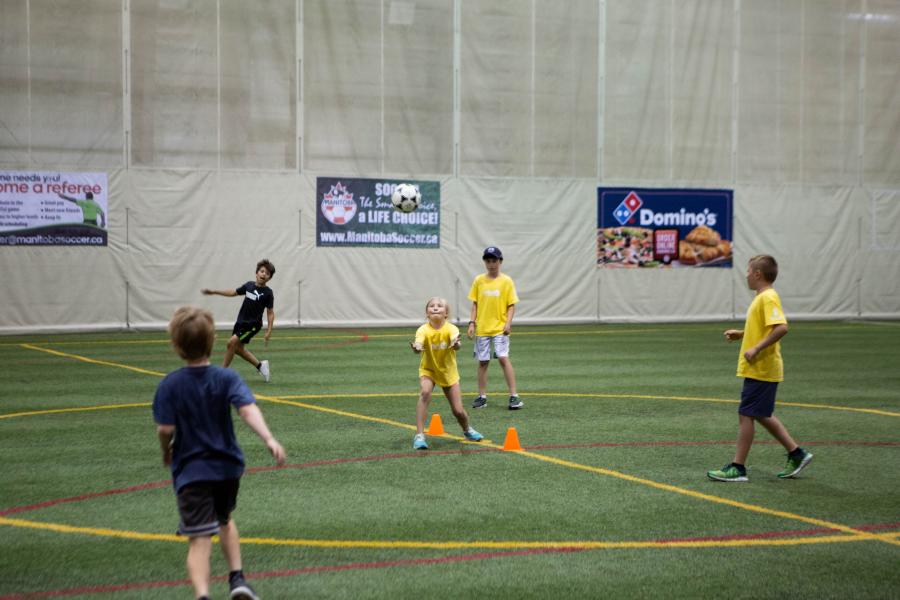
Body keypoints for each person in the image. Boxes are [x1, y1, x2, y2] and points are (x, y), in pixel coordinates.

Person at [153, 306, 286, 600]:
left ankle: (202, 594)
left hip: (192, 473)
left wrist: (166, 450)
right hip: (227, 469)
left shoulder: (170, 385)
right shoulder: (226, 379)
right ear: (212, 342)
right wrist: (268, 438)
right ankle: (237, 578)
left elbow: (164, 429)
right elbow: (247, 410)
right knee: (225, 520)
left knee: (199, 539)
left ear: (176, 346)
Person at [707, 255, 813, 482]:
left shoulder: (768, 297)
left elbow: (781, 327)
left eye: (748, 271)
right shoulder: (762, 298)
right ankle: (796, 453)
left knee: (746, 414)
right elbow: (764, 328)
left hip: (762, 368)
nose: (746, 275)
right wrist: (742, 334)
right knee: (760, 414)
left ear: (757, 274)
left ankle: (738, 467)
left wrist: (756, 348)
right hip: (760, 368)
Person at [410, 297, 483, 450]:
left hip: (448, 373)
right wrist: (416, 347)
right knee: (425, 392)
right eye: (431, 306)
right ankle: (419, 435)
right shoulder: (423, 330)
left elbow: (456, 343)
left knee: (458, 410)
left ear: (446, 313)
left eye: (439, 306)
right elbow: (418, 343)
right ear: (427, 313)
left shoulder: (451, 329)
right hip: (429, 370)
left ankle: (467, 430)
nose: (435, 308)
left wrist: (456, 344)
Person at [466, 246, 522, 410]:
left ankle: (514, 396)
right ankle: (482, 396)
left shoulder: (506, 281)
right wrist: (472, 323)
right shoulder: (479, 280)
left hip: (500, 328)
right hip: (483, 328)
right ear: (485, 262)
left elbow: (511, 305)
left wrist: (508, 323)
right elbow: (475, 304)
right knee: (483, 362)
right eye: (488, 261)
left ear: (500, 261)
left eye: (494, 261)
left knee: (503, 358)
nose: (491, 264)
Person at [202, 259, 275, 382]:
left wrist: (269, 330)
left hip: (253, 325)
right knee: (238, 349)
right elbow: (233, 292)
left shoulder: (268, 293)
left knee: (231, 343)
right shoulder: (248, 286)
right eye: (262, 271)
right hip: (241, 322)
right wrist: (215, 291)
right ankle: (260, 366)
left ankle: (222, 373)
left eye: (267, 273)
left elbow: (270, 313)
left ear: (269, 278)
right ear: (256, 273)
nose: (264, 274)